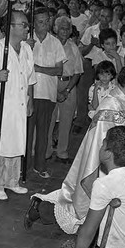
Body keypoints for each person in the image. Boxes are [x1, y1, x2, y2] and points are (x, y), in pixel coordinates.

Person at [24, 65, 125, 234]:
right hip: (101, 166)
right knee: (83, 206)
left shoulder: (123, 102)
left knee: (92, 206)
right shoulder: (112, 107)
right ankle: (41, 209)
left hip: (112, 164)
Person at [0, 10, 36, 200]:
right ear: (11, 27)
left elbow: (30, 78)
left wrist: (30, 100)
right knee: (1, 143)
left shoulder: (26, 49)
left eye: (26, 25)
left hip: (21, 104)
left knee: (17, 142)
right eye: (23, 25)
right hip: (3, 106)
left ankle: (12, 181)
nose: (27, 28)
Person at [26, 7, 66, 178]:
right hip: (29, 94)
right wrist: (26, 50)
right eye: (40, 22)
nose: (44, 25)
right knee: (27, 133)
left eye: (47, 21)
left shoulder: (55, 42)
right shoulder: (26, 42)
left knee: (44, 133)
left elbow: (59, 70)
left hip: (48, 93)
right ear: (33, 24)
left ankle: (40, 166)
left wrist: (38, 69)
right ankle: (25, 167)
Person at [46, 16, 83, 164]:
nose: (64, 31)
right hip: (51, 84)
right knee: (49, 120)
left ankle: (62, 152)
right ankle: (46, 150)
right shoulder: (49, 45)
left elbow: (78, 72)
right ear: (55, 29)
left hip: (69, 85)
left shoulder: (73, 47)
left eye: (67, 28)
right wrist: (55, 90)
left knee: (67, 121)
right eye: (61, 28)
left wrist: (67, 90)